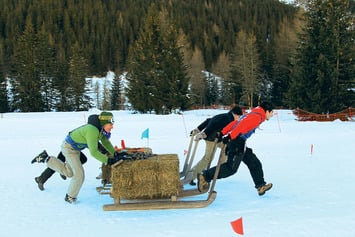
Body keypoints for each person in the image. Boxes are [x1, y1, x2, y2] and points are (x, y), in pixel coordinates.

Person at [31, 111, 128, 203]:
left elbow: (105, 142)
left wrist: (115, 153)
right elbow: (93, 152)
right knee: (79, 175)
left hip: (75, 149)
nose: (112, 127)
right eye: (110, 124)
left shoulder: (99, 129)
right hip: (69, 148)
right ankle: (70, 197)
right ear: (104, 123)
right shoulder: (92, 130)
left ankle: (46, 158)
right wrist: (108, 160)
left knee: (69, 173)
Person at [197, 102, 274, 196]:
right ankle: (205, 176)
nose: (272, 114)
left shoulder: (253, 114)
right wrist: (229, 136)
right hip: (236, 142)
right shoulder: (257, 117)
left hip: (240, 142)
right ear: (266, 111)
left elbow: (236, 123)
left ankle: (260, 185)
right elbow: (241, 126)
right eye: (271, 112)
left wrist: (222, 132)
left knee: (254, 162)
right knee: (231, 168)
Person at [187, 105, 243, 185]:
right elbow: (213, 124)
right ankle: (192, 176)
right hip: (211, 139)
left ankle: (220, 167)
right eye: (239, 116)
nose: (239, 118)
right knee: (207, 159)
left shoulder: (225, 116)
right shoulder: (227, 118)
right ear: (235, 114)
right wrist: (204, 134)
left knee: (226, 149)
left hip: (217, 139)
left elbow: (208, 120)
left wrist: (198, 129)